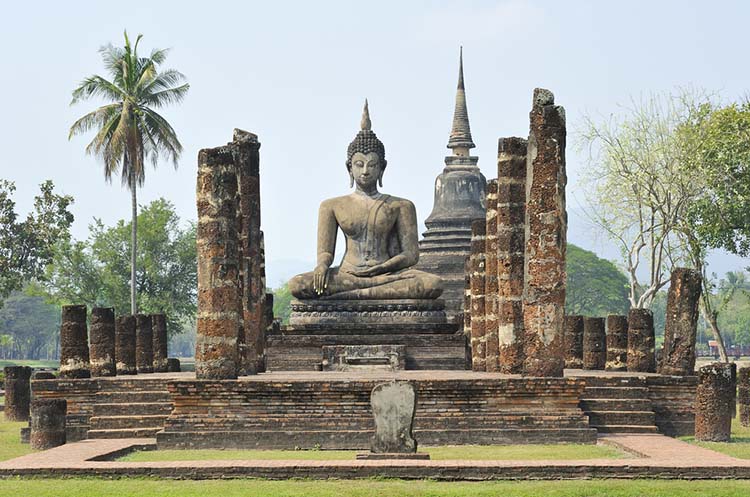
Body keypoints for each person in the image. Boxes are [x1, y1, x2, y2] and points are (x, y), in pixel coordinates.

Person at [289, 101, 442, 300]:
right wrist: (322, 266)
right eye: (359, 165)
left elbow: (411, 255)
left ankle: (351, 297)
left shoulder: (400, 206)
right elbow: (326, 251)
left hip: (388, 276)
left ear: (382, 168)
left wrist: (382, 268)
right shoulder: (331, 206)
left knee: (433, 284)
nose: (365, 171)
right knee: (298, 284)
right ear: (349, 168)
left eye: (372, 165)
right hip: (347, 275)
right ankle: (363, 294)